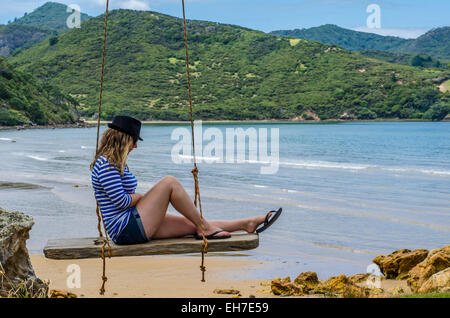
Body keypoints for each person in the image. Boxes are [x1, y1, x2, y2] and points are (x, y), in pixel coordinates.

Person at [91, 115, 282, 245]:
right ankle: (205, 228)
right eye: (134, 141)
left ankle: (246, 223)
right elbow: (121, 201)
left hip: (132, 223)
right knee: (169, 182)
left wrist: (143, 200)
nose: (135, 147)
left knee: (193, 223)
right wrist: (142, 197)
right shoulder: (106, 164)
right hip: (125, 229)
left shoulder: (113, 163)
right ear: (124, 140)